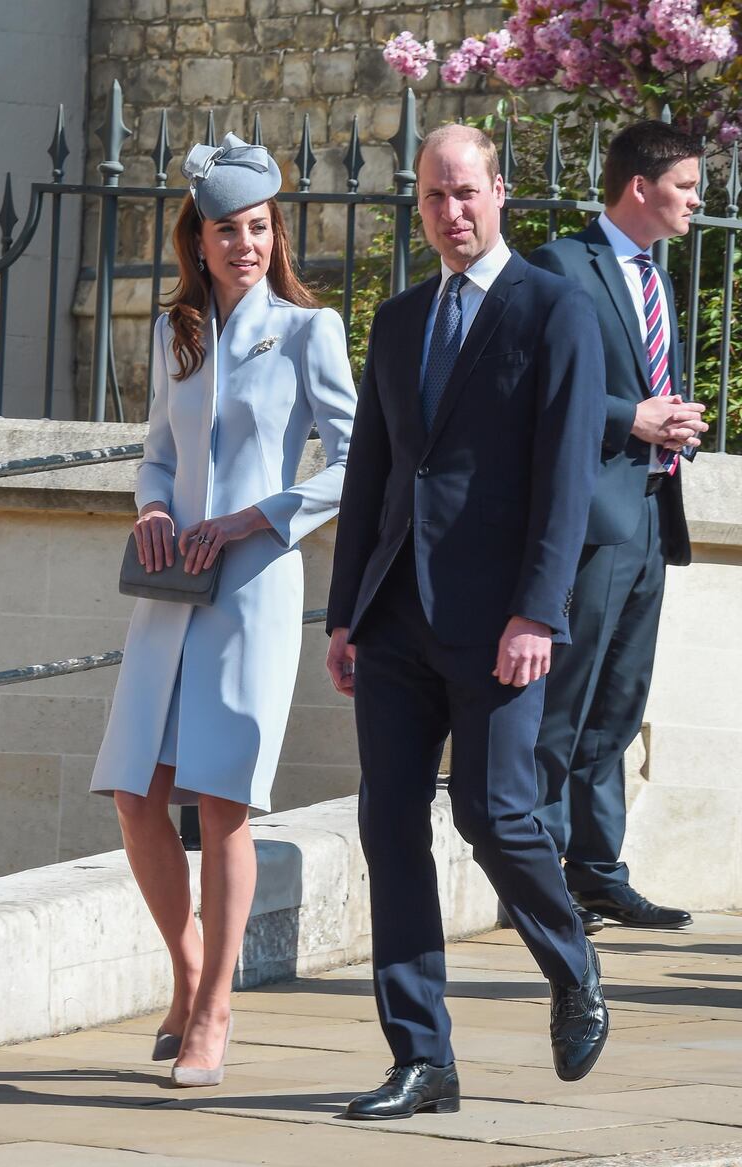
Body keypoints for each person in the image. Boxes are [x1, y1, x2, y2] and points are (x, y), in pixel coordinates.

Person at [325, 124, 609, 1122]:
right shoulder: (399, 320)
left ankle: (569, 966)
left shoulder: (553, 312)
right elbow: (372, 470)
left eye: (466, 193)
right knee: (387, 824)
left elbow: (564, 478)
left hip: (498, 621)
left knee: (494, 815)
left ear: (499, 191)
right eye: (435, 197)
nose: (452, 212)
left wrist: (538, 610)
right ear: (420, 203)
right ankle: (422, 1059)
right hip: (395, 613)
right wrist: (343, 612)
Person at [91, 134, 357, 1087]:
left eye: (259, 227)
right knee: (134, 793)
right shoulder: (176, 334)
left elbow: (355, 460)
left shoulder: (309, 330)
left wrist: (261, 516)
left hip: (251, 589)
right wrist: (155, 505)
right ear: (196, 241)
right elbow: (158, 452)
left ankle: (215, 1011)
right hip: (170, 591)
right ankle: (188, 966)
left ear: (274, 233)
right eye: (226, 230)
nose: (245, 243)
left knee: (222, 802)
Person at [530, 122, 707, 935]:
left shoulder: (658, 281)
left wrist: (672, 424)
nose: (698, 203)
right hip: (592, 520)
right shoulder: (562, 265)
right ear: (640, 185)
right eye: (686, 187)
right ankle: (537, 875)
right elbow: (532, 388)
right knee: (564, 705)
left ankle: (599, 873)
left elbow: (647, 388)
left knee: (618, 705)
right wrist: (628, 417)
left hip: (650, 512)